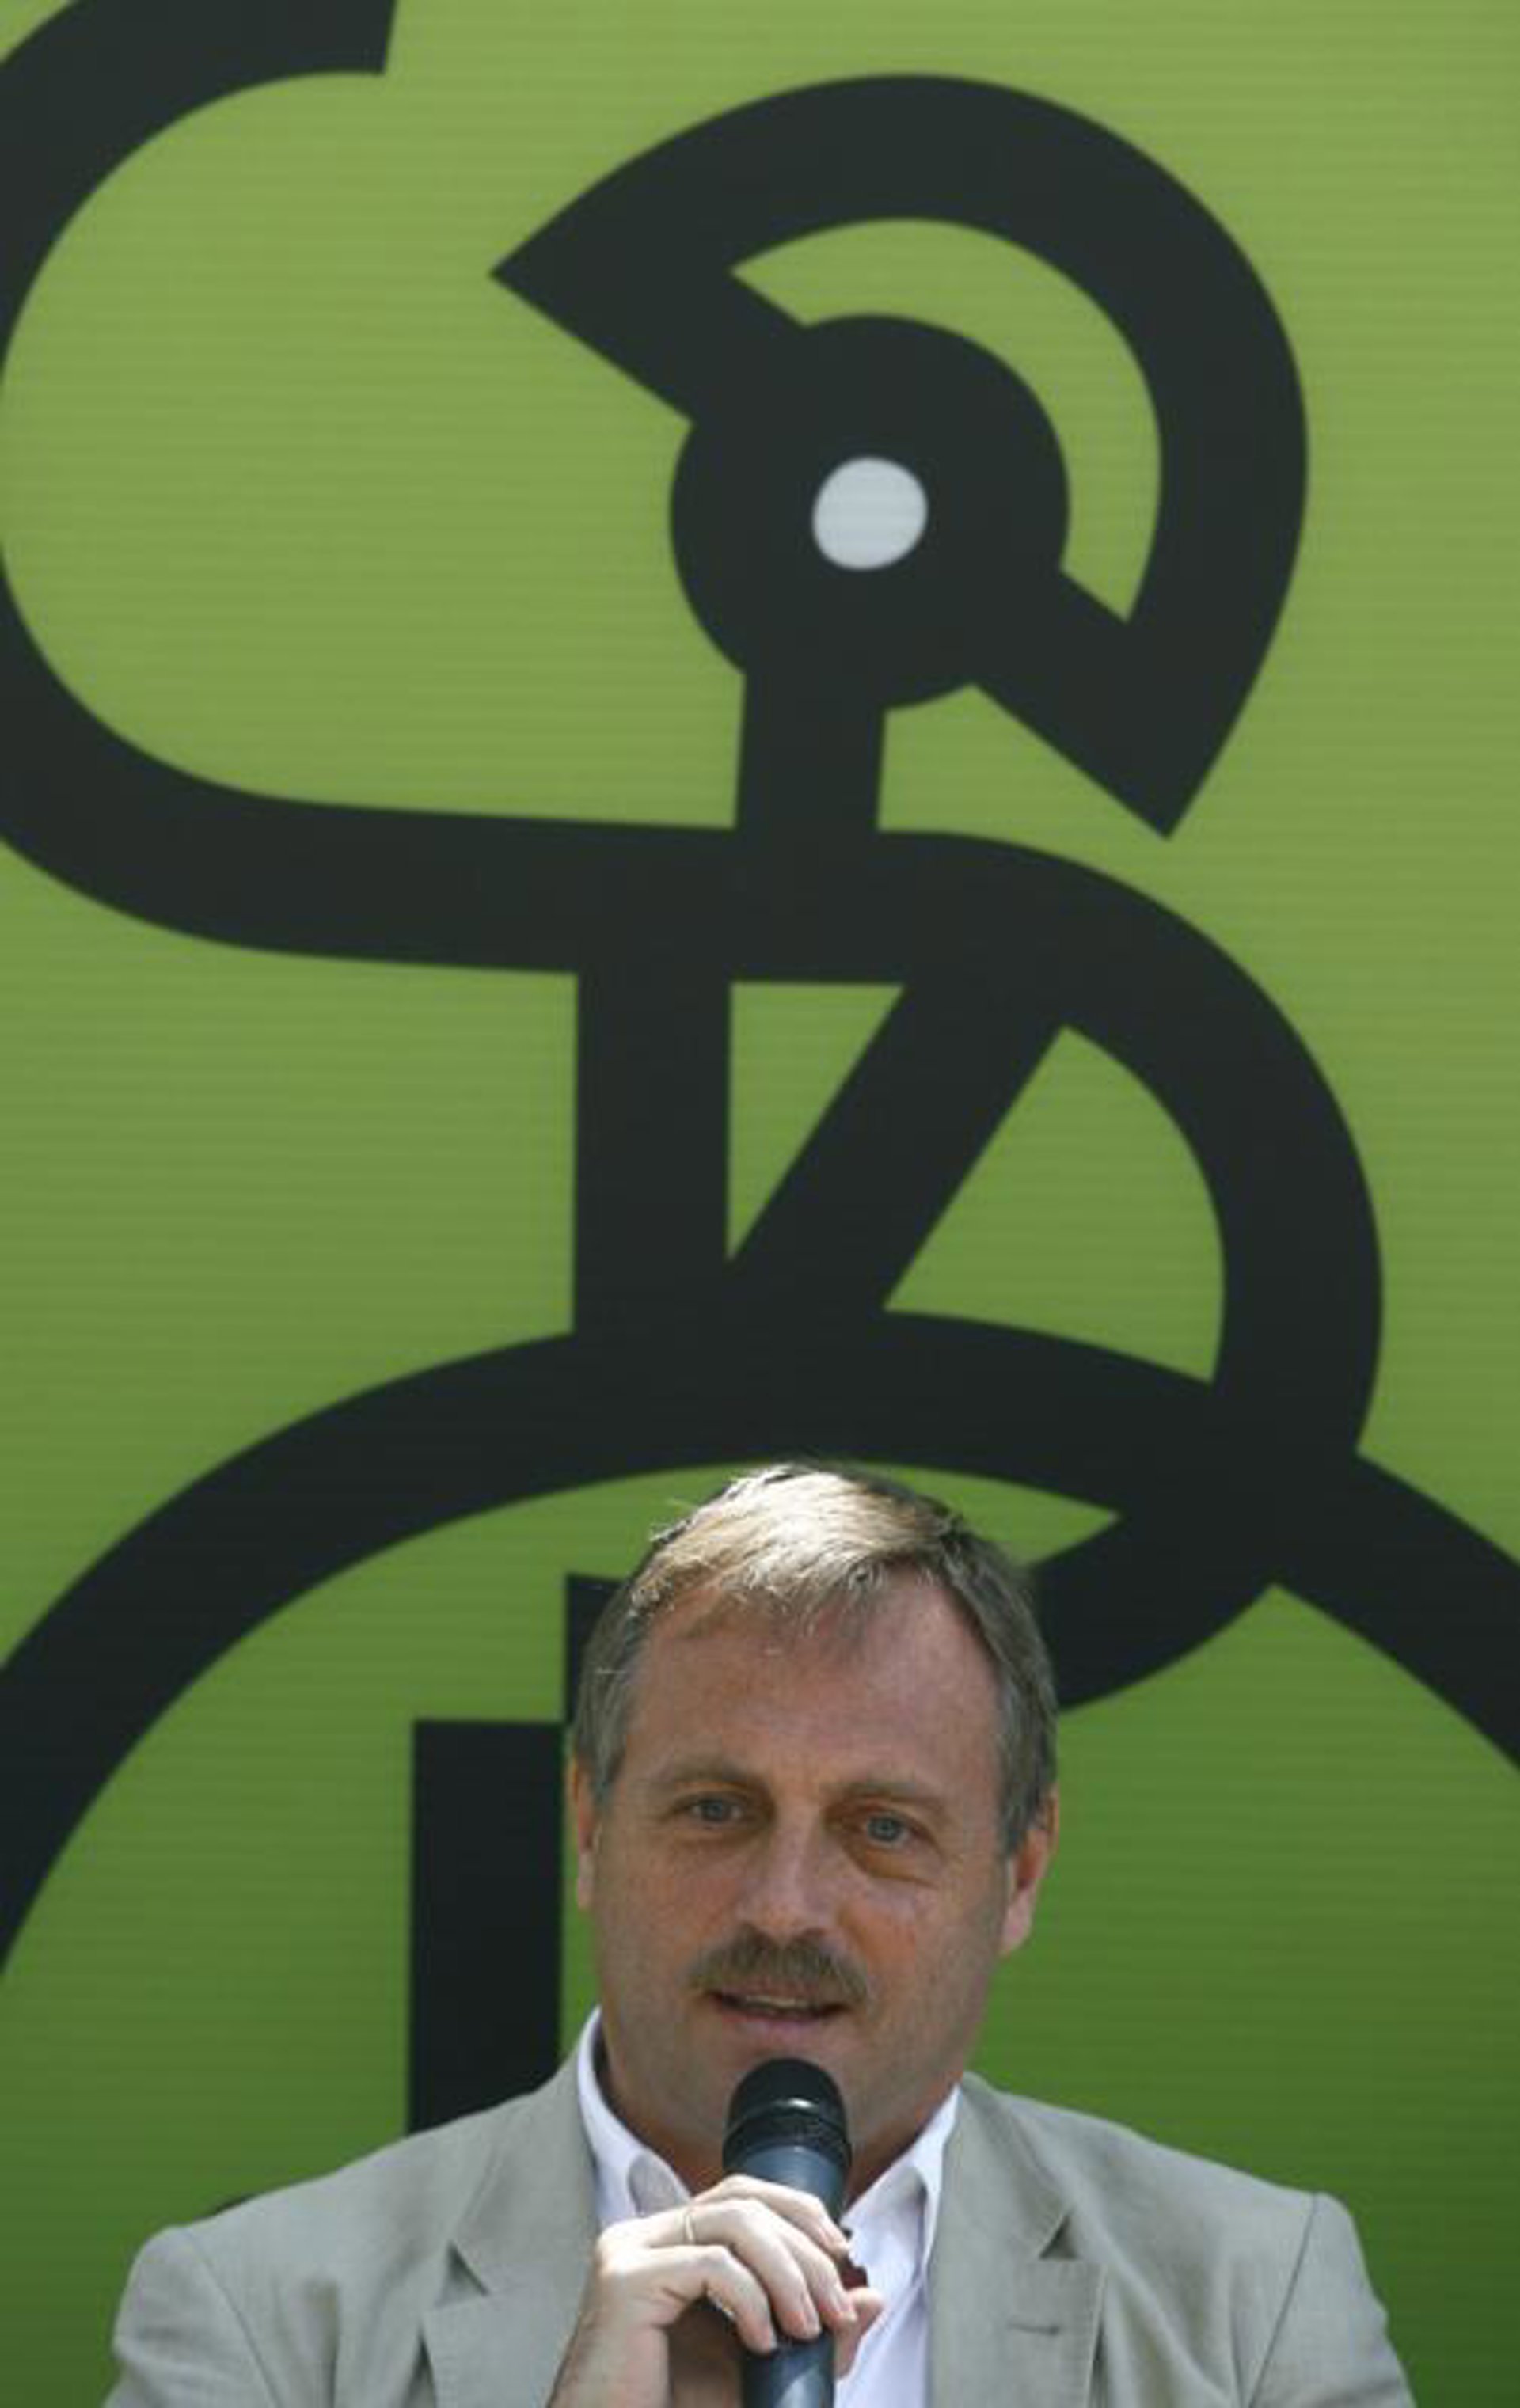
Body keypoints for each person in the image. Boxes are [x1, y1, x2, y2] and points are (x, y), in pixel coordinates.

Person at [104, 1464, 1414, 2405]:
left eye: (882, 1827)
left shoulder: (1251, 2308)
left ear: (1019, 1871)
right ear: (590, 1827)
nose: (785, 1904)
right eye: (716, 1809)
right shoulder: (263, 2321)